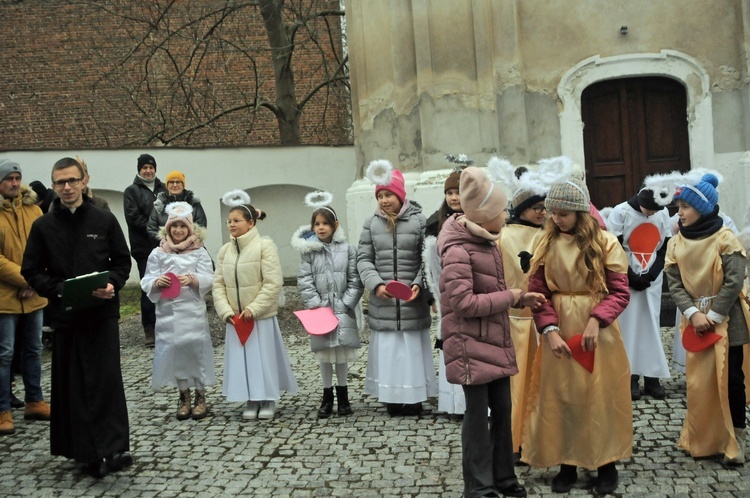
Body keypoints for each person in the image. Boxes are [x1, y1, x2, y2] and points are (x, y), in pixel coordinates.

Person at [21, 157, 133, 478]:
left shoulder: (104, 220)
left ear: (84, 181)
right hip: (66, 315)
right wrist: (60, 290)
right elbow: (31, 270)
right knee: (72, 384)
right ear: (53, 186)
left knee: (106, 382)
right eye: (60, 183)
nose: (67, 188)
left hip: (102, 315)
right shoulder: (43, 226)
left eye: (72, 181)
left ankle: (113, 448)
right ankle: (83, 452)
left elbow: (122, 262)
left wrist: (112, 283)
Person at [437, 166, 545, 498]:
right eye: (500, 211)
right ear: (485, 217)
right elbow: (463, 303)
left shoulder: (485, 242)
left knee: (502, 411)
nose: (505, 216)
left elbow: (490, 293)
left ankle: (503, 480)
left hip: (493, 339)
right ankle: (479, 488)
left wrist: (521, 298)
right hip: (470, 345)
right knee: (476, 417)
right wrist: (510, 296)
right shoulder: (458, 249)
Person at [523, 177, 632, 494]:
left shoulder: (605, 244)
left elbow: (619, 292)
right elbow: (538, 292)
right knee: (563, 396)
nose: (556, 219)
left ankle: (606, 464)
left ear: (580, 213)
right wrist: (549, 329)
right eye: (552, 213)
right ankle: (566, 463)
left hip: (598, 332)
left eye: (563, 213)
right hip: (560, 330)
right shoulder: (544, 244)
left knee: (600, 396)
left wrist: (597, 320)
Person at [665, 173, 749, 465]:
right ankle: (704, 437)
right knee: (700, 381)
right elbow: (674, 282)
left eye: (685, 207)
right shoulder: (676, 243)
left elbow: (735, 278)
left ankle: (736, 436)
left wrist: (713, 314)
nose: (680, 213)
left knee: (732, 380)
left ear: (701, 208)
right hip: (695, 320)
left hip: (728, 319)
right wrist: (692, 313)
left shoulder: (724, 238)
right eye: (678, 208)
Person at [357, 161, 437, 416]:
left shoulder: (419, 222)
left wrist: (417, 283)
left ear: (400, 195)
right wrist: (376, 284)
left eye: (388, 194)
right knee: (390, 352)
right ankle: (391, 397)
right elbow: (363, 259)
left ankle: (414, 398)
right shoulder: (371, 224)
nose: (383, 200)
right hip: (385, 302)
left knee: (411, 351)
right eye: (379, 195)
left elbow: (425, 258)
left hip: (411, 302)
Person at [212, 193, 298, 420]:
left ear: (250, 223)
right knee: (244, 360)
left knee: (263, 359)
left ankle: (268, 398)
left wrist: (254, 308)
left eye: (237, 220)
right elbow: (218, 283)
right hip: (236, 317)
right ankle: (251, 398)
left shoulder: (264, 246)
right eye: (229, 221)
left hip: (259, 317)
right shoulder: (224, 251)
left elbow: (273, 281)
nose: (231, 224)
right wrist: (225, 310)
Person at [140, 202, 215, 421]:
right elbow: (146, 279)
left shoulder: (199, 252)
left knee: (194, 351)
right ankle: (184, 395)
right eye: (175, 226)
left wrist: (194, 279)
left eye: (183, 226)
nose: (179, 231)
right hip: (168, 313)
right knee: (176, 351)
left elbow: (210, 277)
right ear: (168, 228)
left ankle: (201, 395)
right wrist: (157, 282)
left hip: (192, 311)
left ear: (190, 229)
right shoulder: (158, 253)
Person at [291, 199, 363, 418]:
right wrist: (315, 304)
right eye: (317, 224)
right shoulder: (309, 252)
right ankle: (326, 395)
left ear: (335, 225)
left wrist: (346, 303)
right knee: (324, 354)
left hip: (341, 310)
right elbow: (304, 280)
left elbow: (355, 280)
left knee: (340, 354)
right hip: (320, 312)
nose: (321, 227)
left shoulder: (347, 250)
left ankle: (343, 396)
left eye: (325, 223)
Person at [498, 166, 548, 462]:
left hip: (531, 319)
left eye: (545, 207)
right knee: (521, 384)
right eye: (537, 208)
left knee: (530, 384)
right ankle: (518, 441)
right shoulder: (508, 237)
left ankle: (528, 440)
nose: (543, 213)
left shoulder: (506, 235)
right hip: (520, 318)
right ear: (522, 209)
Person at [606, 184, 672, 400]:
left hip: (651, 277)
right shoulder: (621, 212)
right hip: (626, 274)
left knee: (651, 325)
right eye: (649, 210)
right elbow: (612, 246)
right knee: (629, 326)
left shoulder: (661, 212)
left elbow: (664, 246)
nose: (653, 214)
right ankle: (631, 376)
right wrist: (629, 276)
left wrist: (652, 274)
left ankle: (652, 377)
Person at [0, 159, 51, 435]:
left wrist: (35, 281)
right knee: (4, 354)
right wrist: (26, 278)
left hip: (33, 294)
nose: (15, 183)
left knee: (34, 349)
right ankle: (2, 409)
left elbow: (47, 245)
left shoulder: (34, 209)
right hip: (4, 296)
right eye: (9, 178)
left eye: (18, 177)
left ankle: (34, 400)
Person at [423, 167, 466, 416]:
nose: (453, 197)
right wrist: (431, 297)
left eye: (458, 192)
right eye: (449, 192)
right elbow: (427, 263)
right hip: (444, 294)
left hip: (468, 292)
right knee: (449, 344)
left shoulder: (479, 219)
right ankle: (452, 403)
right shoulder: (435, 223)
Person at [124, 153, 168, 347]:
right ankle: (149, 328)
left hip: (166, 246)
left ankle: (166, 326)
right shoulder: (131, 191)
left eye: (151, 167)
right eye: (145, 168)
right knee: (149, 288)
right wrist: (156, 229)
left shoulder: (163, 189)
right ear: (139, 170)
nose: (148, 171)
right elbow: (133, 218)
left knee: (168, 285)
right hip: (144, 248)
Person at [147, 170, 207, 244]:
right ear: (167, 185)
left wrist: (186, 242)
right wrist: (167, 241)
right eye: (171, 182)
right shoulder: (159, 205)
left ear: (183, 185)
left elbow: (201, 225)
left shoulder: (193, 203)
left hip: (191, 248)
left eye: (178, 182)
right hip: (165, 249)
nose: (175, 185)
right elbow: (151, 229)